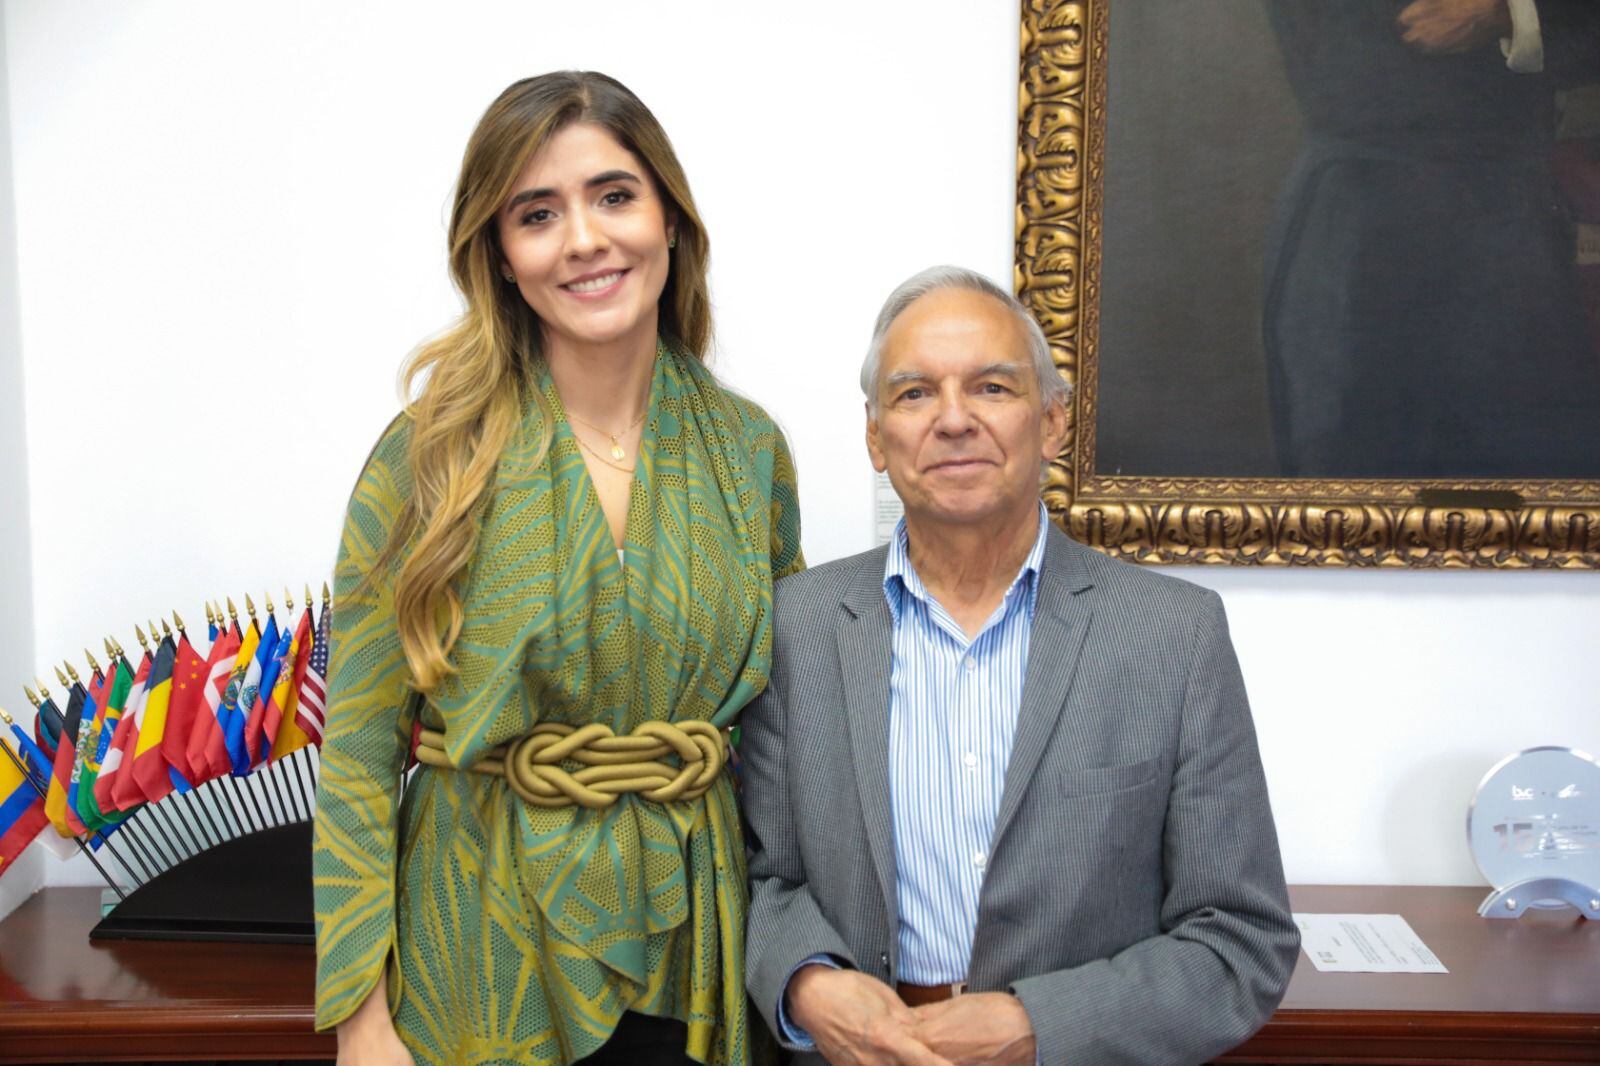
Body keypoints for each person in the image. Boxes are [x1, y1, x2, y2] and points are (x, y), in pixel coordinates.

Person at [312, 72, 803, 1066]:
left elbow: (786, 742)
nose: (584, 238)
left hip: (695, 946)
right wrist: (363, 1022)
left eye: (614, 195)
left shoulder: (751, 454)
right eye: (537, 214)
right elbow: (356, 757)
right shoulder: (427, 457)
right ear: (498, 253)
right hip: (477, 947)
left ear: (669, 218)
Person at [742, 267, 1298, 1065]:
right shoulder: (796, 626)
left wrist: (1042, 1025)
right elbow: (762, 878)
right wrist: (807, 983)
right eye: (914, 394)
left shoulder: (1173, 636)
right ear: (875, 436)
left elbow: (1241, 940)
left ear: (1053, 420)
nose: (954, 420)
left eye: (992, 387)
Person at [1264, 0, 1600, 478]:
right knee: (1361, 499)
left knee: (1543, 489)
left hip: (1520, 223)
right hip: (1371, 231)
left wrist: (1508, 13)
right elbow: (1360, 62)